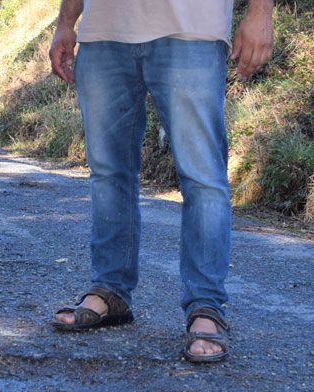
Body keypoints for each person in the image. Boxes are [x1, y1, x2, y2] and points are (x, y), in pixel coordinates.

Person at [48, 0, 274, 363]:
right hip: (103, 31)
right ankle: (110, 290)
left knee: (202, 178)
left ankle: (205, 306)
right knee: (108, 174)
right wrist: (66, 22)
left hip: (192, 28)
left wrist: (260, 11)